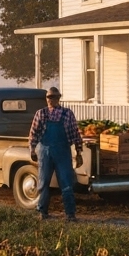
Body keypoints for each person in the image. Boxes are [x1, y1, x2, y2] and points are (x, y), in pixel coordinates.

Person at [27, 87, 83, 221]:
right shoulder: (41, 113)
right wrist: (32, 149)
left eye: (53, 97)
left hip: (63, 151)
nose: (51, 100)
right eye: (49, 97)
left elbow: (75, 133)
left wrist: (79, 151)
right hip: (44, 151)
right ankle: (42, 211)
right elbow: (33, 133)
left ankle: (70, 214)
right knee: (43, 182)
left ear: (59, 98)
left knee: (66, 183)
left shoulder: (67, 114)